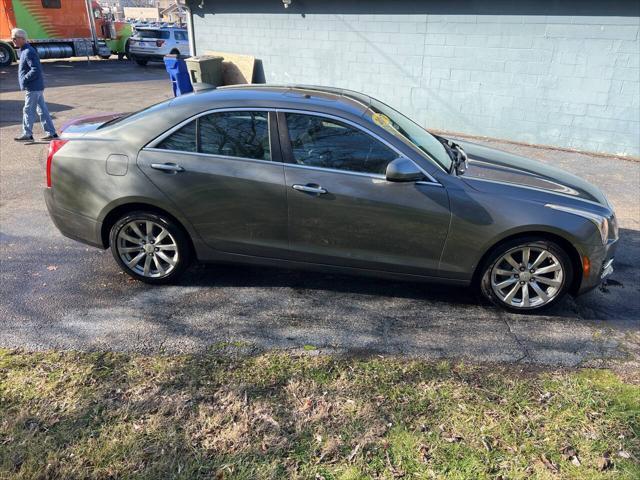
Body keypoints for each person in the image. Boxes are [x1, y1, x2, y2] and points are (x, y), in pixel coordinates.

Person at [11, 28, 58, 142]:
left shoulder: (28, 52)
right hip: (36, 86)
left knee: (28, 110)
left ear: (22, 39)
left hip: (33, 87)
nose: (13, 41)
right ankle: (51, 133)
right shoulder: (25, 50)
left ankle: (27, 134)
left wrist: (24, 79)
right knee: (42, 110)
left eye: (14, 38)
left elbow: (36, 69)